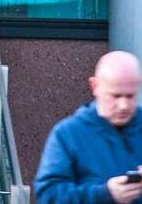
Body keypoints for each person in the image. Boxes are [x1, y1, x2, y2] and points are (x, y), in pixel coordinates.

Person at [35, 50, 142, 203]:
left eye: (130, 96)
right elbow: (48, 196)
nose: (123, 105)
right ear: (95, 86)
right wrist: (104, 194)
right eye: (115, 96)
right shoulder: (67, 135)